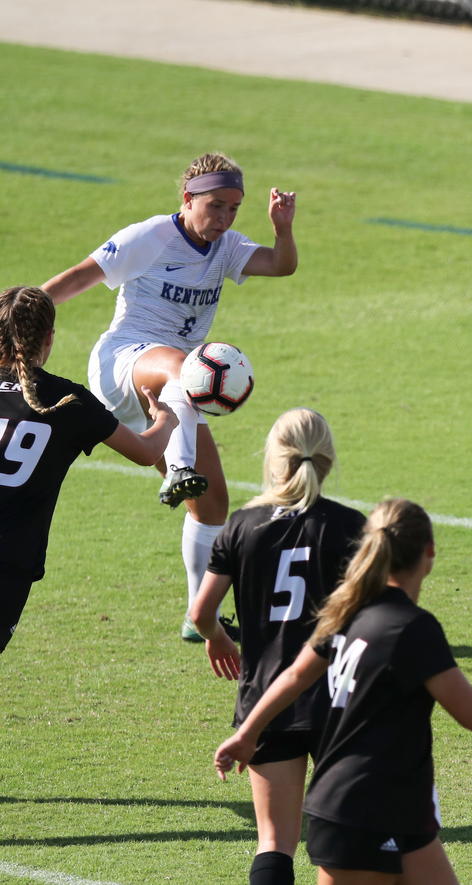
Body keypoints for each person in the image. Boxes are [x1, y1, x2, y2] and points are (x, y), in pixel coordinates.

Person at [214, 499, 472, 884]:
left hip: (383, 807)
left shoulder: (346, 611)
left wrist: (248, 733)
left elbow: (294, 676)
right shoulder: (411, 627)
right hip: (368, 809)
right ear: (429, 551)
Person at [41, 151, 298, 641]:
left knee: (214, 504)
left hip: (171, 392)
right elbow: (80, 276)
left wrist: (282, 228)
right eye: (215, 206)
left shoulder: (226, 247)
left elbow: (280, 265)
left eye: (234, 209)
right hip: (123, 363)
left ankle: (197, 616)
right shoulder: (151, 236)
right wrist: (21, 313)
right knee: (188, 368)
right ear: (188, 198)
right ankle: (177, 469)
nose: (223, 218)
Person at [189, 408, 367, 885]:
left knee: (274, 843)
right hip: (338, 700)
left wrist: (219, 639)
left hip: (265, 701)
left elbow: (201, 613)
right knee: (341, 840)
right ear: (327, 459)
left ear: (273, 458)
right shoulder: (353, 526)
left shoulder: (242, 526)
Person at [0, 285, 178, 652]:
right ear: (49, 338)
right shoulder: (70, 401)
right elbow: (146, 452)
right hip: (9, 564)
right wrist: (165, 420)